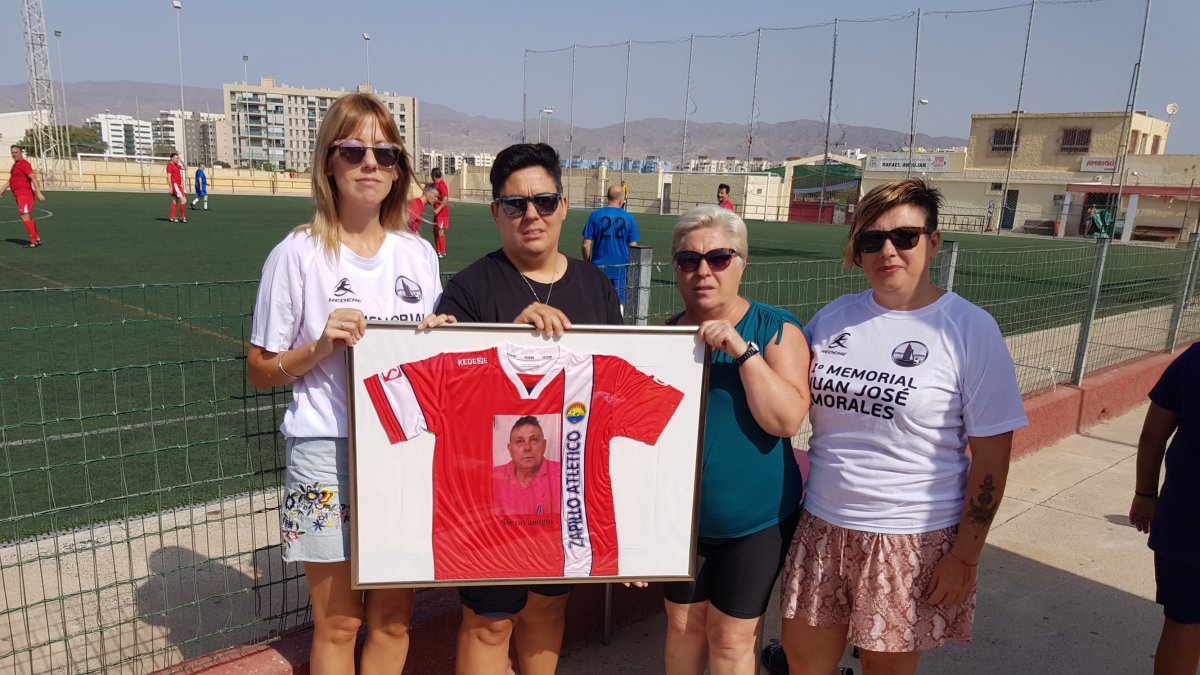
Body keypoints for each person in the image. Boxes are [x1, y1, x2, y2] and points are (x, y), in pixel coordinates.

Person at [778, 177, 1027, 675]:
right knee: (803, 663)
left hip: (909, 537)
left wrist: (966, 557)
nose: (887, 250)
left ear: (933, 242)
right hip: (823, 525)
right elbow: (785, 395)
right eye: (871, 239)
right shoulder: (833, 319)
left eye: (905, 236)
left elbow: (993, 458)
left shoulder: (970, 328)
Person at [247, 92, 441, 674]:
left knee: (393, 618)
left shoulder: (419, 255)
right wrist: (318, 347)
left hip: (404, 449)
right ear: (328, 161)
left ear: (400, 168)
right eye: (353, 150)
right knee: (339, 623)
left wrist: (440, 336)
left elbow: (431, 360)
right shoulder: (297, 254)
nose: (370, 164)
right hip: (323, 451)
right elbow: (259, 369)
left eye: (385, 153)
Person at [422, 142, 622, 675]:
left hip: (565, 492)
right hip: (487, 498)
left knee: (548, 608)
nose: (530, 214)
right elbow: (449, 399)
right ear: (495, 213)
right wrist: (503, 339)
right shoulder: (466, 291)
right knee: (488, 621)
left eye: (543, 200)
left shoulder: (598, 288)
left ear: (563, 206)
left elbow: (611, 395)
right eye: (515, 205)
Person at [660, 204, 810, 674]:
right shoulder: (663, 338)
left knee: (732, 638)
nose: (702, 271)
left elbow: (785, 420)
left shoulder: (774, 329)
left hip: (755, 523)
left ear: (741, 264)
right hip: (682, 521)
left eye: (718, 258)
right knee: (682, 625)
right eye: (688, 260)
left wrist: (741, 351)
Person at [1129, 344, 1200, 675]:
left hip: (1188, 519)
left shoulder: (1193, 360)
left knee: (1184, 620)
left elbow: (1152, 435)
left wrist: (1145, 492)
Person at [581, 184, 640, 307]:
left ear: (607, 197)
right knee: (619, 306)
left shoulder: (595, 215)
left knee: (598, 304)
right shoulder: (629, 218)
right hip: (621, 269)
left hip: (599, 269)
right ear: (621, 200)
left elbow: (586, 246)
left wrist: (588, 263)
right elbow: (633, 246)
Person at [492, 416, 561, 516]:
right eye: (520, 442)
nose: (527, 448)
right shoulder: (492, 478)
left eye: (534, 440)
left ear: (544, 445)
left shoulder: (564, 474)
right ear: (510, 449)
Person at [0, 144, 45, 247]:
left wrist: (38, 192)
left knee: (24, 215)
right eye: (12, 153)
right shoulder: (15, 165)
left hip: (25, 194)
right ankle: (36, 238)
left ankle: (33, 240)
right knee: (26, 216)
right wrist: (2, 189)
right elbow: (11, 179)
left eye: (16, 152)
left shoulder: (23, 164)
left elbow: (33, 178)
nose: (14, 154)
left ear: (21, 153)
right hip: (18, 196)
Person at [431, 167, 450, 258]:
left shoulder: (442, 185)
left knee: (440, 231)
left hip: (441, 213)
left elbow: (445, 198)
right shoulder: (436, 184)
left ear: (434, 176)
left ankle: (442, 252)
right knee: (435, 231)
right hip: (437, 213)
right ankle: (438, 250)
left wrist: (438, 209)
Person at [166, 153, 187, 223]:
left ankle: (172, 218)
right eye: (176, 158)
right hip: (175, 185)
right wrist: (171, 187)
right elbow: (168, 177)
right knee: (184, 200)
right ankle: (182, 217)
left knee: (175, 200)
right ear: (171, 158)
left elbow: (186, 168)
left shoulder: (177, 165)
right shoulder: (170, 166)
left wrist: (181, 161)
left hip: (178, 185)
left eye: (178, 158)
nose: (177, 159)